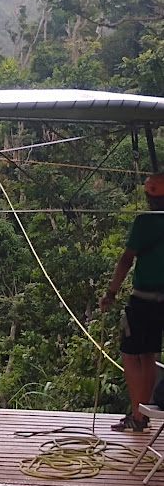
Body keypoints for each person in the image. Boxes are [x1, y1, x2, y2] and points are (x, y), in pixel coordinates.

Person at [99, 173, 164, 432]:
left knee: (131, 353)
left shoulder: (145, 222)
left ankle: (138, 416)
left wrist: (111, 292)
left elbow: (127, 259)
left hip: (144, 298)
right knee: (149, 354)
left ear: (149, 197)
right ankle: (142, 414)